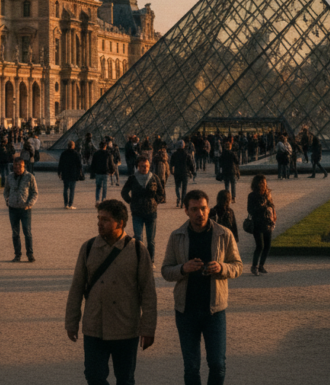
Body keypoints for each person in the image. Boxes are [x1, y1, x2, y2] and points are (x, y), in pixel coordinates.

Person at [65, 199, 157, 385]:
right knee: (93, 375)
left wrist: (148, 329)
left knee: (125, 379)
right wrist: (71, 321)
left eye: (105, 219)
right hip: (94, 325)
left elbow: (148, 292)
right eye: (99, 218)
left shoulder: (138, 250)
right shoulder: (88, 248)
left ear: (120, 223)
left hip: (126, 327)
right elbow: (76, 287)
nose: (99, 223)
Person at [161, 189, 243, 385]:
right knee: (191, 367)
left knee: (217, 364)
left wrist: (222, 267)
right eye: (195, 209)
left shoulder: (224, 234)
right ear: (186, 211)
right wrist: (183, 268)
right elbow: (165, 270)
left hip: (214, 310)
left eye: (204, 208)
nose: (200, 213)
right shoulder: (176, 236)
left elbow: (238, 266)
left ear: (209, 208)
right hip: (186, 310)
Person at [121, 156, 165, 264]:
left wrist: (156, 201)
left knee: (151, 240)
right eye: (142, 166)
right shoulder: (132, 178)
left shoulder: (154, 177)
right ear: (138, 167)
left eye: (146, 166)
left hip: (151, 212)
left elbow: (161, 192)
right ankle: (139, 260)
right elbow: (124, 192)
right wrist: (130, 201)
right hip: (137, 212)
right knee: (138, 238)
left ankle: (150, 261)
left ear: (149, 166)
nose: (144, 168)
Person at [4, 157, 38, 262]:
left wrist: (30, 204)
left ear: (23, 166)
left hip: (25, 209)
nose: (17, 169)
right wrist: (7, 200)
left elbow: (35, 193)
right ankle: (17, 255)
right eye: (15, 167)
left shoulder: (30, 177)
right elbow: (6, 191)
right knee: (15, 233)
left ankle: (30, 254)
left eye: (19, 167)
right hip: (13, 208)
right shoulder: (9, 177)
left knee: (27, 232)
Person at [246, 175, 276, 275]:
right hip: (257, 223)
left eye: (264, 182)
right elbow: (250, 210)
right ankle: (254, 266)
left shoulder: (267, 194)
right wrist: (262, 207)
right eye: (262, 182)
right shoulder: (252, 195)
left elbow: (272, 204)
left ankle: (261, 265)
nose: (264, 184)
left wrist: (273, 214)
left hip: (267, 222)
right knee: (260, 246)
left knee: (267, 246)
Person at [169, 141, 196, 208]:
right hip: (185, 173)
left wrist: (171, 171)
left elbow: (171, 164)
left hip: (177, 173)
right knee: (184, 188)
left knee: (177, 186)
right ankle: (182, 202)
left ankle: (178, 197)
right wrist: (193, 172)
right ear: (183, 146)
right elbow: (191, 165)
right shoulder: (187, 154)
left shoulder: (174, 154)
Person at [60, 140, 85, 209]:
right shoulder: (76, 154)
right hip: (73, 173)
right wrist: (81, 173)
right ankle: (70, 204)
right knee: (72, 189)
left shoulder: (64, 153)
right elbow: (79, 165)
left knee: (65, 189)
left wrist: (59, 172)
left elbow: (60, 164)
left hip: (65, 173)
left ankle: (65, 204)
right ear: (73, 146)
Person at [91, 140, 116, 206]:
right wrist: (112, 170)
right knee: (105, 187)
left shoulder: (96, 153)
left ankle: (97, 200)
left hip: (98, 172)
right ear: (105, 146)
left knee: (98, 187)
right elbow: (111, 163)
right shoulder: (108, 154)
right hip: (105, 172)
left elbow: (93, 163)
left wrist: (93, 172)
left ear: (99, 146)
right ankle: (103, 199)